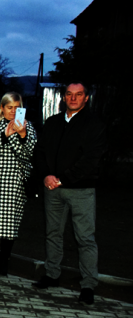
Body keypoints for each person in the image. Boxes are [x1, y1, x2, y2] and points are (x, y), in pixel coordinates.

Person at [33, 82, 106, 305]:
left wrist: (64, 179)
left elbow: (91, 159)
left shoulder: (94, 125)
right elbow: (40, 152)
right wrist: (46, 175)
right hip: (52, 189)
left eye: (79, 94)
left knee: (85, 238)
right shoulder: (53, 122)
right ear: (63, 97)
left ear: (86, 98)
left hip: (80, 190)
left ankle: (88, 285)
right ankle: (52, 274)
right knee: (53, 233)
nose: (73, 98)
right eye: (69, 94)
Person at [0, 92, 36, 276]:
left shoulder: (28, 128)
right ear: (2, 108)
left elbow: (31, 153)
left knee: (10, 226)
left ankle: (4, 265)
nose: (13, 111)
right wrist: (5, 134)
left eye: (17, 108)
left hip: (15, 184)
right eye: (9, 107)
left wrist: (22, 135)